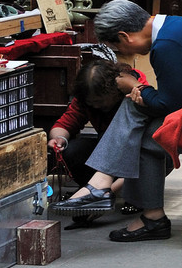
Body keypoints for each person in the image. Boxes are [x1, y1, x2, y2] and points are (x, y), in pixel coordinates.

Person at [55, 0, 182, 242]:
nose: (122, 53)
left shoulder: (165, 45)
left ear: (125, 36)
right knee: (141, 125)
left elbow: (167, 104)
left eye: (117, 46)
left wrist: (135, 86)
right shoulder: (173, 28)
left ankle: (123, 200)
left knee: (141, 125)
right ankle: (117, 197)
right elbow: (170, 101)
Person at [46, 55, 127, 226]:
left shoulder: (131, 93)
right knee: (72, 151)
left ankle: (99, 193)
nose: (95, 106)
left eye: (99, 102)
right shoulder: (87, 99)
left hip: (135, 155)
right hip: (107, 154)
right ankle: (93, 190)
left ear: (113, 91)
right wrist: (59, 139)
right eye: (92, 102)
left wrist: (106, 193)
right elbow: (65, 123)